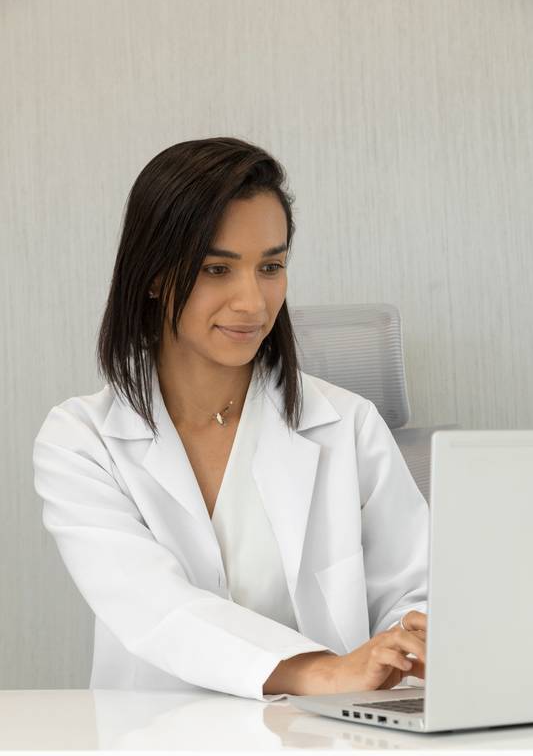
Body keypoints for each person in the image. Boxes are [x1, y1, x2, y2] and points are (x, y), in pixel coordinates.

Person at [32, 136, 428, 702]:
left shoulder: (349, 425)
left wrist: (412, 639)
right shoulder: (82, 441)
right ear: (152, 275)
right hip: (155, 752)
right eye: (217, 268)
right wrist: (320, 671)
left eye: (271, 266)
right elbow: (151, 604)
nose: (253, 301)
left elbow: (415, 589)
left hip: (327, 747)